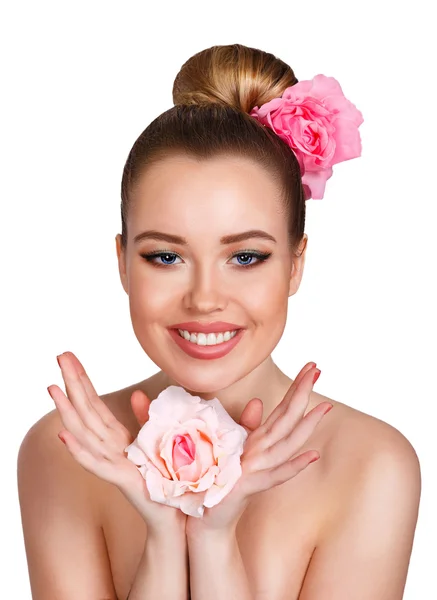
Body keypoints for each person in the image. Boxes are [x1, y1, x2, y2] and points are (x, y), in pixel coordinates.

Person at [17, 43, 421, 600]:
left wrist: (212, 541)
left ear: (296, 264)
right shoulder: (64, 451)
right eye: (165, 257)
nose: (205, 299)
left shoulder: (372, 466)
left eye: (246, 257)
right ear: (122, 262)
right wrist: (163, 535)